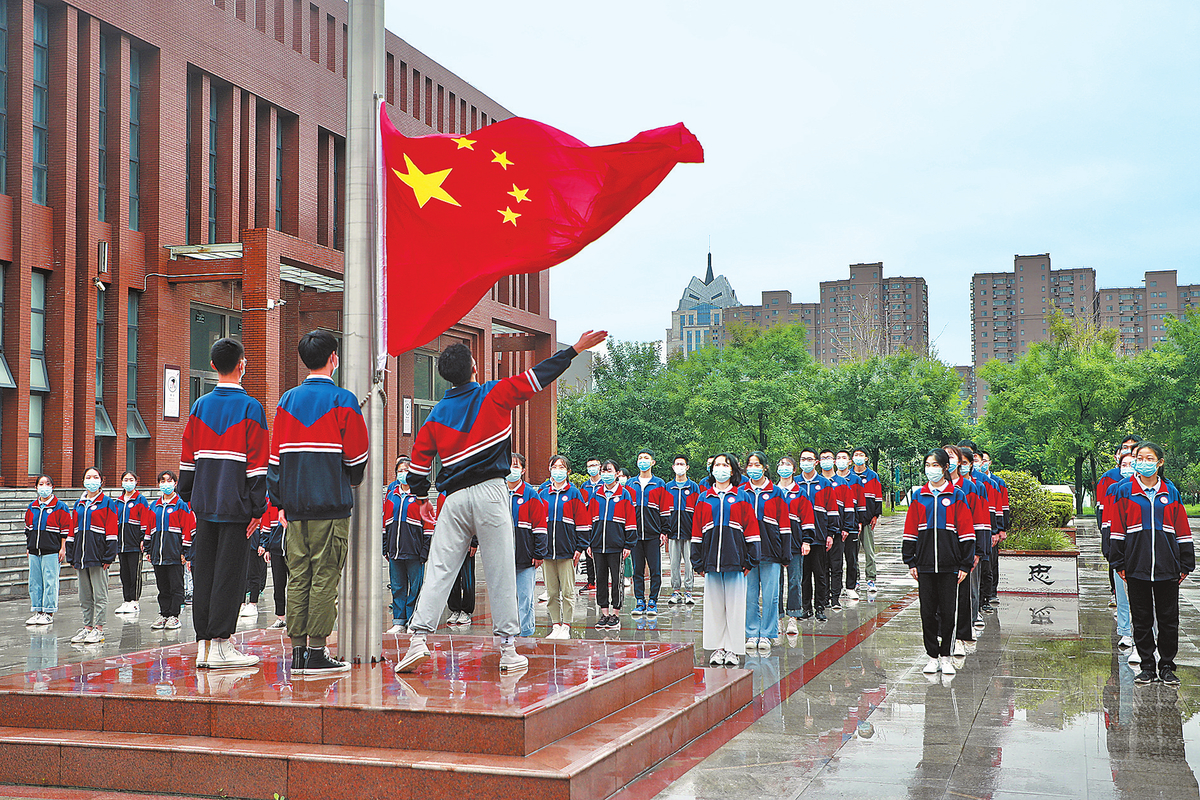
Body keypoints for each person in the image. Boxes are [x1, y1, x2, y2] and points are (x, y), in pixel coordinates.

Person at [396, 330, 606, 674]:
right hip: (492, 492)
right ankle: (508, 649)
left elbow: (418, 468)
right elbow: (539, 376)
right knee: (501, 570)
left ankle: (417, 638)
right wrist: (575, 349)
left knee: (439, 569)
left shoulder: (435, 415)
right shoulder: (494, 393)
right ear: (475, 368)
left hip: (452, 498)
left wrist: (421, 499)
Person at [267, 330, 369, 676]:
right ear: (333, 359)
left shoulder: (286, 401)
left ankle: (297, 653)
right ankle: (316, 652)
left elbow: (275, 459)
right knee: (325, 576)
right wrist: (350, 481)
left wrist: (279, 501)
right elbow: (357, 458)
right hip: (331, 505)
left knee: (298, 576)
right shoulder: (344, 400)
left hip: (293, 508)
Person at [179, 336, 269, 670]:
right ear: (242, 365)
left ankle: (204, 644)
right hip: (237, 506)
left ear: (213, 365)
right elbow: (258, 465)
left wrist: (191, 497)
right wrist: (258, 509)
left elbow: (187, 460)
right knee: (230, 575)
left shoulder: (199, 406)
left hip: (204, 504)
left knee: (204, 572)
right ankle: (221, 644)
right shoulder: (251, 408)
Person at [1107, 442, 1194, 686]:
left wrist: (1185, 563)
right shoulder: (1125, 491)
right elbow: (1117, 530)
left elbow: (1182, 529)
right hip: (1136, 566)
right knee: (1142, 618)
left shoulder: (1171, 492)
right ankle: (1147, 667)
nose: (1143, 462)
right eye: (1139, 457)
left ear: (1159, 462)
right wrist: (1119, 562)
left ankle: (1167, 666)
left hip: (1167, 567)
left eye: (1149, 457)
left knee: (1168, 619)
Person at [902, 449, 975, 676]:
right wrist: (910, 561)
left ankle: (946, 656)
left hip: (950, 565)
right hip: (924, 565)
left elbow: (966, 532)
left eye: (934, 465)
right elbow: (910, 530)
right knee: (927, 612)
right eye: (927, 464)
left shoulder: (957, 495)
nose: (930, 469)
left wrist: (964, 564)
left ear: (945, 468)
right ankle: (932, 656)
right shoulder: (919, 496)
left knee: (948, 612)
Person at [692, 453, 760, 667]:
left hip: (736, 561)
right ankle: (717, 648)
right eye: (717, 465)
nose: (720, 468)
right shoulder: (704, 498)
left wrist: (751, 559)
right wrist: (697, 562)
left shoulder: (742, 497)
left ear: (732, 471)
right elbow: (696, 531)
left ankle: (732, 649)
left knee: (735, 607)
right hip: (711, 562)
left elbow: (752, 529)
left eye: (725, 465)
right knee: (713, 607)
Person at [741, 451, 790, 654]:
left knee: (771, 596)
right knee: (749, 595)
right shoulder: (742, 491)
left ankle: (768, 633)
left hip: (772, 552)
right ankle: (752, 632)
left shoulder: (776, 492)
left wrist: (785, 554)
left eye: (757, 464)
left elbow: (785, 525)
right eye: (750, 464)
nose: (753, 468)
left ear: (765, 467)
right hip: (747, 553)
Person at [538, 454, 591, 639]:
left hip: (567, 551)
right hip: (547, 552)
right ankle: (555, 625)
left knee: (568, 592)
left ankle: (566, 625)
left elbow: (583, 523)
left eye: (561, 467)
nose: (557, 471)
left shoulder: (574, 493)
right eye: (554, 467)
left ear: (568, 471)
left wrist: (580, 547)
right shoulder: (543, 493)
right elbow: (537, 523)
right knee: (551, 592)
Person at [65, 467, 118, 644]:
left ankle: (99, 629)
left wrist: (109, 556)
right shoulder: (79, 503)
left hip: (98, 556)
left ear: (101, 481)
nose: (92, 480)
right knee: (85, 595)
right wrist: (71, 554)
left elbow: (111, 531)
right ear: (83, 480)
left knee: (100, 595)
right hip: (81, 556)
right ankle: (87, 627)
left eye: (95, 477)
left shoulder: (107, 503)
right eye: (88, 477)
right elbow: (72, 530)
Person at [587, 459, 636, 630]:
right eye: (603, 471)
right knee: (600, 579)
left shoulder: (624, 494)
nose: (606, 474)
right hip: (598, 545)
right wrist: (588, 543)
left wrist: (628, 544)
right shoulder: (596, 494)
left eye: (609, 471)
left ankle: (615, 613)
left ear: (616, 474)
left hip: (617, 546)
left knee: (617, 580)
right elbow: (589, 521)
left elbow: (630, 520)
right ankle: (604, 613)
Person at [383, 466, 431, 634]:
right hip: (395, 551)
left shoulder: (421, 497)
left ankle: (413, 620)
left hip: (414, 552)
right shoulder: (391, 496)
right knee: (397, 587)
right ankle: (399, 621)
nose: (403, 473)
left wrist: (425, 550)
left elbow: (429, 526)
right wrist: (385, 547)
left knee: (415, 588)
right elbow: (385, 522)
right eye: (400, 470)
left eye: (407, 470)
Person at [145, 471, 194, 631]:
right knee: (163, 586)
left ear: (175, 483)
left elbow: (187, 529)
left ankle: (174, 616)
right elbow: (149, 529)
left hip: (175, 554)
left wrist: (184, 552)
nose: (165, 484)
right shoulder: (154, 506)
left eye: (169, 480)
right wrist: (148, 549)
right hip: (158, 555)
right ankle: (164, 614)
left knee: (176, 586)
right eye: (162, 481)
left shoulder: (181, 505)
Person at [775, 455, 819, 634]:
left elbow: (807, 519)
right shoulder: (772, 491)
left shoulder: (800, 493)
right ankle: (777, 619)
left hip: (794, 544)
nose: (784, 467)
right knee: (775, 584)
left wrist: (807, 540)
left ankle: (793, 617)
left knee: (794, 582)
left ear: (794, 470)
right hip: (774, 545)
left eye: (788, 465)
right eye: (781, 464)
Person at [507, 454, 548, 637]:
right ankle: (506, 633)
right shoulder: (498, 492)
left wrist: (539, 553)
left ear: (523, 470)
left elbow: (540, 526)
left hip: (525, 557)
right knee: (505, 599)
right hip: (502, 558)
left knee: (525, 599)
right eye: (509, 465)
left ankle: (525, 633)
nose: (511, 469)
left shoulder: (530, 494)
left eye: (516, 466)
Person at [796, 448, 839, 622]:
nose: (806, 462)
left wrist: (831, 533)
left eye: (809, 459)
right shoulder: (795, 483)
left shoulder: (824, 484)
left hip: (820, 536)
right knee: (803, 575)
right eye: (803, 459)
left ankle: (820, 607)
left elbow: (832, 510)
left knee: (820, 574)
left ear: (816, 462)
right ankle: (805, 607)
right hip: (799, 538)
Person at [24, 475, 71, 627]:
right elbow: (28, 529)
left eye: (48, 484)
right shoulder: (32, 507)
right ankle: (38, 611)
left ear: (53, 486)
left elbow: (65, 529)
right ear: (36, 487)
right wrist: (28, 547)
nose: (44, 487)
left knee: (50, 581)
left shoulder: (60, 506)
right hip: (34, 550)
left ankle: (49, 612)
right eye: (41, 484)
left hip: (51, 550)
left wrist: (63, 547)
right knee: (35, 581)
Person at [1104, 452, 1137, 661]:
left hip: (1143, 550)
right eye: (1124, 464)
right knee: (1123, 596)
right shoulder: (1114, 489)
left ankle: (1146, 635)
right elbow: (1107, 523)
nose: (1128, 467)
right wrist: (1110, 551)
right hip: (1121, 549)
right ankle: (1126, 632)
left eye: (1132, 463)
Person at [628, 449, 668, 617]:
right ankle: (639, 600)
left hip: (653, 534)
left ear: (653, 463)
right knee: (637, 569)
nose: (642, 461)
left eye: (646, 458)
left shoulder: (659, 483)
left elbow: (665, 509)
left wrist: (664, 531)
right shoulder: (630, 484)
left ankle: (652, 601)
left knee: (655, 570)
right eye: (640, 458)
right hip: (635, 535)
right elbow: (627, 510)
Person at [114, 471, 153, 616]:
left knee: (134, 573)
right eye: (125, 479)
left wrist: (143, 539)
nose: (128, 482)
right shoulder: (118, 501)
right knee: (124, 573)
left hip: (135, 543)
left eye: (131, 479)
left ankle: (135, 601)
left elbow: (145, 520)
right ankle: (126, 600)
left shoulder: (140, 499)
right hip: (121, 543)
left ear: (136, 481)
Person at [663, 454, 700, 606]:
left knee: (690, 563)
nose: (679, 466)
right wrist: (664, 530)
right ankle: (676, 591)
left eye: (682, 464)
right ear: (673, 467)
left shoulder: (693, 487)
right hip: (672, 532)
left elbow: (699, 511)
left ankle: (689, 592)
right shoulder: (667, 487)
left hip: (689, 531)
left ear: (687, 467)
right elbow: (664, 510)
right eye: (677, 464)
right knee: (674, 564)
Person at [833, 450, 866, 601]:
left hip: (851, 523)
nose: (841, 460)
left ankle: (851, 587)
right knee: (835, 560)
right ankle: (835, 589)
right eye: (838, 458)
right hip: (835, 526)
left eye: (844, 458)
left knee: (851, 558)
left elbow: (860, 502)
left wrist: (859, 521)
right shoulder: (830, 480)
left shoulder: (855, 480)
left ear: (849, 462)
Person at [818, 449, 847, 609]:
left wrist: (847, 527)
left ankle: (835, 597)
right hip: (821, 531)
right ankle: (824, 597)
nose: (826, 461)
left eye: (829, 458)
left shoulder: (842, 482)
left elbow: (848, 507)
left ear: (834, 461)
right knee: (822, 567)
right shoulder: (817, 482)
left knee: (836, 565)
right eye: (823, 458)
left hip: (838, 530)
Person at [850, 448, 882, 593]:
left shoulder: (873, 476)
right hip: (852, 521)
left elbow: (878, 497)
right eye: (856, 455)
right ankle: (854, 579)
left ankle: (871, 579)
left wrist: (876, 515)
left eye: (861, 455)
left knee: (869, 551)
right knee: (852, 553)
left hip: (868, 520)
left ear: (866, 458)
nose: (858, 458)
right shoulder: (848, 475)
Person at [258, 499, 287, 630]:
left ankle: (297, 617)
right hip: (276, 548)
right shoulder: (271, 499)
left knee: (298, 584)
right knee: (278, 583)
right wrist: (266, 547)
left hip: (295, 547)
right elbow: (266, 523)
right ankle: (281, 617)